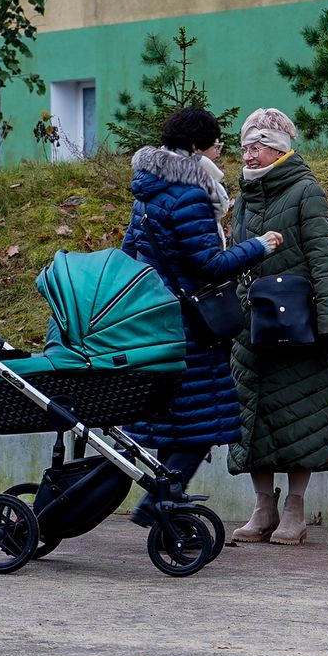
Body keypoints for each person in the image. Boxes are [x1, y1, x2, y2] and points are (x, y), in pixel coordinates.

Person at [120, 108, 282, 524]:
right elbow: (208, 264)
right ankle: (160, 503)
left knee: (169, 417)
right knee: (204, 420)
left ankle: (162, 500)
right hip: (190, 325)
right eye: (215, 143)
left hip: (155, 320)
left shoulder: (149, 190)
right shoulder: (190, 194)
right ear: (196, 147)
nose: (219, 150)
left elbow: (130, 253)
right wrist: (259, 247)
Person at [228, 108, 328, 546]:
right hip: (250, 326)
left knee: (303, 417)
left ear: (278, 148)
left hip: (299, 326)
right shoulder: (242, 196)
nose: (248, 154)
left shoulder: (305, 191)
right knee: (251, 418)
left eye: (256, 147)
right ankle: (263, 507)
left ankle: (295, 508)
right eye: (244, 147)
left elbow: (323, 260)